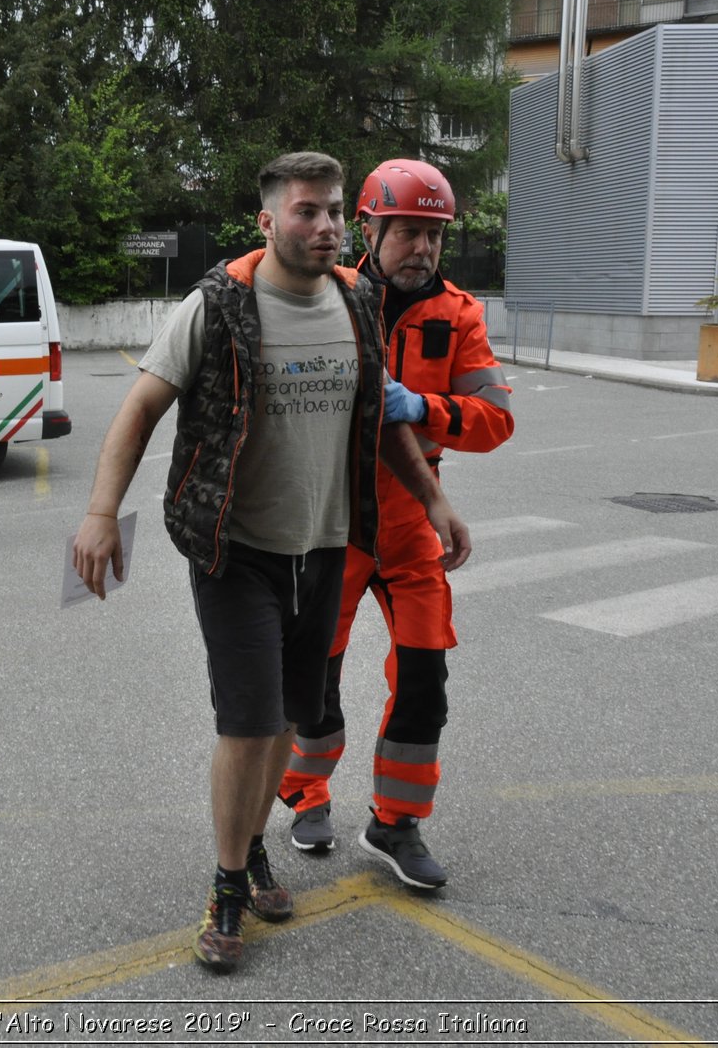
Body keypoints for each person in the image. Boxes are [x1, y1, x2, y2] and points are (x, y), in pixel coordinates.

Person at [71, 151, 472, 975]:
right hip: (235, 549)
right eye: (306, 212)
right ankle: (226, 885)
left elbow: (380, 413)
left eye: (333, 211)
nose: (324, 226)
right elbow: (140, 409)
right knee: (249, 721)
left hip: (326, 545)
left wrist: (433, 501)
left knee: (292, 717)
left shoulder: (358, 302)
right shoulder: (217, 304)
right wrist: (101, 514)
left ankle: (253, 847)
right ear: (267, 220)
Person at [278, 159, 514, 889]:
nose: (423, 249)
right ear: (370, 229)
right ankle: (305, 794)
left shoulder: (460, 315)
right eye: (408, 232)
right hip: (334, 522)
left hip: (412, 525)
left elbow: (496, 419)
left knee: (423, 678)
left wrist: (426, 408)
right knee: (312, 679)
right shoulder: (330, 299)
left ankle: (394, 821)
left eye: (434, 236)